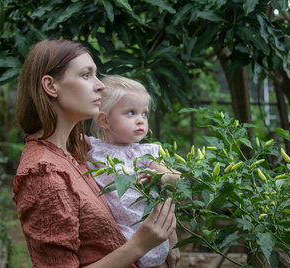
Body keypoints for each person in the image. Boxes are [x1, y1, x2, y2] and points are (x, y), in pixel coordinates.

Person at [13, 39, 177, 268]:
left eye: (96, 75)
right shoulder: (44, 174)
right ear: (51, 86)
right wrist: (139, 245)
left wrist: (169, 237)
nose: (100, 85)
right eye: (86, 75)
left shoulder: (80, 151)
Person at [87, 75, 181, 268]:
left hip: (148, 234)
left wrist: (160, 176)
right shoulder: (91, 147)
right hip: (117, 241)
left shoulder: (146, 153)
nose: (141, 120)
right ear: (104, 120)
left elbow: (177, 179)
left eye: (144, 114)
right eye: (131, 113)